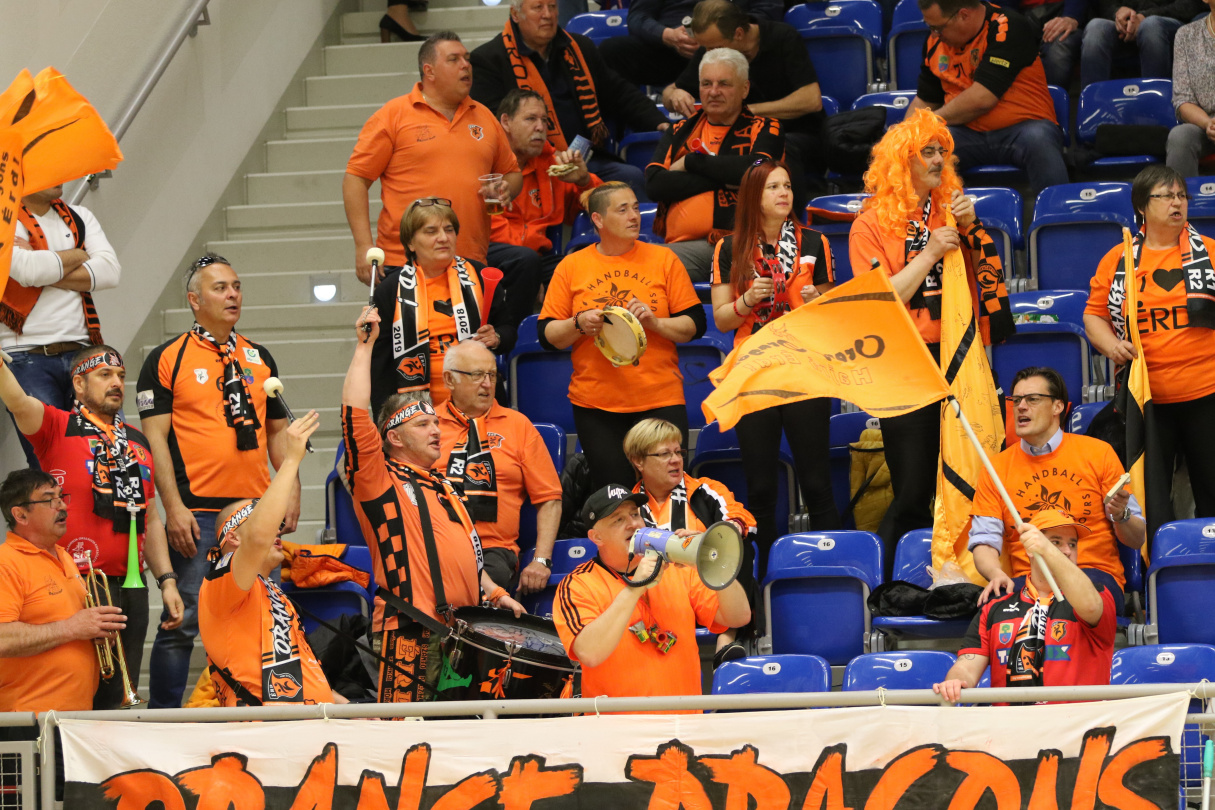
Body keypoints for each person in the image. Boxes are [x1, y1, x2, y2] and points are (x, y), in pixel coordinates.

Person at [849, 109, 1014, 578]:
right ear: (903, 161)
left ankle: (968, 572)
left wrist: (973, 229)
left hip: (960, 356)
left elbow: (988, 285)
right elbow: (881, 300)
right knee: (913, 487)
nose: (940, 159)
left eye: (943, 150)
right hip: (905, 364)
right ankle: (894, 581)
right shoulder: (869, 225)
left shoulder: (953, 212)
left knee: (976, 473)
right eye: (928, 151)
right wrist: (931, 252)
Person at [138, 253, 295, 709]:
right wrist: (173, 508)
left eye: (236, 286)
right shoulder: (167, 358)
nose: (232, 295)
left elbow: (277, 433)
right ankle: (164, 722)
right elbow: (155, 440)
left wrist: (290, 490)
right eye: (220, 288)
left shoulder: (259, 357)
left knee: (262, 615)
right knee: (182, 621)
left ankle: (259, 712)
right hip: (197, 511)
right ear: (194, 300)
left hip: (255, 513)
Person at [345, 306, 524, 703]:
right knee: (410, 736)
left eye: (435, 422)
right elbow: (355, 418)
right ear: (393, 437)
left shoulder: (443, 485)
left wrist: (496, 593)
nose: (436, 430)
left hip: (461, 636)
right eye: (422, 424)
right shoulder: (380, 481)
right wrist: (364, 348)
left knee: (462, 736)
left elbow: (465, 561)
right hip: (408, 633)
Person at [0, 345, 183, 709]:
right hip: (79, 584)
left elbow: (149, 516)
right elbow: (18, 402)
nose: (116, 382)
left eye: (120, 376)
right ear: (79, 385)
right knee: (79, 685)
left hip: (131, 585)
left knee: (119, 699)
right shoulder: (56, 426)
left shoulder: (138, 440)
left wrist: (167, 580)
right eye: (104, 375)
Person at [711, 159, 839, 578]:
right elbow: (722, 319)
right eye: (773, 187)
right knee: (761, 488)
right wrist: (748, 300)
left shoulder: (815, 241)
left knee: (816, 482)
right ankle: (763, 583)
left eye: (787, 186)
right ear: (754, 196)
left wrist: (816, 299)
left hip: (804, 367)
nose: (784, 193)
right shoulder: (729, 248)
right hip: (755, 369)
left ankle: (830, 573)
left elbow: (831, 314)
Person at [539, 182, 706, 490]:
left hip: (659, 398)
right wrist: (578, 323)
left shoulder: (664, 259)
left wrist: (655, 323)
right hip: (596, 405)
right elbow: (547, 336)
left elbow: (696, 325)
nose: (634, 216)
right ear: (598, 219)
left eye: (635, 207)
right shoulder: (571, 266)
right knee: (615, 497)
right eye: (623, 209)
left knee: (667, 493)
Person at [1084, 164, 1215, 534]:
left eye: (1182, 196)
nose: (1177, 203)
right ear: (1142, 206)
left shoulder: (1210, 253)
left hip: (1207, 394)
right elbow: (1094, 315)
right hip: (1147, 402)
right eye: (1167, 196)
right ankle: (1157, 565)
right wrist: (1112, 345)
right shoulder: (1119, 258)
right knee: (1151, 500)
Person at [344, 32, 522, 284]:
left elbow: (512, 173)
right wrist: (364, 245)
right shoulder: (393, 115)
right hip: (404, 260)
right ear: (429, 71)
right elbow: (355, 179)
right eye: (454, 59)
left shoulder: (484, 116)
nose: (466, 65)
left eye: (467, 58)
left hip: (469, 260)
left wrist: (506, 189)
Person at [553, 484, 751, 709]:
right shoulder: (577, 584)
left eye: (635, 514)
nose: (633, 524)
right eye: (618, 520)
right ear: (596, 537)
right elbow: (589, 653)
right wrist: (635, 588)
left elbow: (738, 616)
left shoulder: (677, 568)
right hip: (616, 727)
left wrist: (710, 563)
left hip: (684, 725)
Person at [969, 367, 1145, 614]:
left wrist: (1121, 515)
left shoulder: (1099, 453)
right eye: (1016, 400)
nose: (1021, 407)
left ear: (1058, 407)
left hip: (1091, 574)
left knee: (1063, 610)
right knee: (990, 612)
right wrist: (995, 573)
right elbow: (984, 541)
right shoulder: (995, 468)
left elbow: (1137, 539)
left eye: (1032, 399)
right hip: (1029, 580)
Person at [199, 411, 346, 706]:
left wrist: (351, 710)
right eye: (262, 520)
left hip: (308, 720)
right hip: (266, 725)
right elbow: (257, 538)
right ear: (233, 537)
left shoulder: (272, 592)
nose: (276, 528)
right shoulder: (221, 581)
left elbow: (306, 675)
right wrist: (290, 460)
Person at [469, 0, 670, 200]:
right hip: (529, 167)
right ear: (515, 14)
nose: (547, 14)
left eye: (552, 7)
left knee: (630, 177)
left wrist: (658, 121)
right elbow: (495, 126)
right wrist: (549, 154)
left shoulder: (580, 48)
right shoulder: (489, 59)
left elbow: (619, 92)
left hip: (586, 160)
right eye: (538, 8)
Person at [933, 510, 1116, 703]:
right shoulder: (994, 608)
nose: (1067, 551)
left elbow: (1090, 606)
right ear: (1029, 549)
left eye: (1072, 544)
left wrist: (1048, 550)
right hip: (1012, 721)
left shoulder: (1096, 595)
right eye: (1056, 542)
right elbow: (967, 667)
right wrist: (955, 682)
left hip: (1078, 721)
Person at [1, 183, 120, 467]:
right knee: (51, 463)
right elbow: (28, 270)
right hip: (25, 357)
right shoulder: (5, 217)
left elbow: (110, 273)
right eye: (48, 169)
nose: (59, 179)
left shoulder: (80, 216)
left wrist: (40, 260)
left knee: (111, 452)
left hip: (84, 352)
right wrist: (79, 254)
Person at [661, 0, 825, 202]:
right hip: (738, 136)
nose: (709, 54)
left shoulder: (782, 37)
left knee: (779, 147)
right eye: (706, 48)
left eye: (715, 47)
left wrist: (746, 111)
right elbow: (670, 91)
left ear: (738, 34)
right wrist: (674, 95)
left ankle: (788, 217)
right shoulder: (712, 49)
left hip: (798, 134)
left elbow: (811, 99)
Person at [624, 418, 757, 663]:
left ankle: (727, 639)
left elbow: (742, 519)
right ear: (638, 461)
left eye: (678, 452)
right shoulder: (628, 506)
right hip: (660, 597)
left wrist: (711, 539)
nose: (675, 460)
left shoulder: (704, 490)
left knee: (739, 544)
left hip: (710, 591)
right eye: (665, 454)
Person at [438, 339, 563, 594]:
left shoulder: (518, 426)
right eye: (477, 375)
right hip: (433, 544)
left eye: (492, 375)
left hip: (492, 549)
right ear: (450, 380)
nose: (487, 384)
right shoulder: (426, 425)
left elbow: (549, 498)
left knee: (467, 588)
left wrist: (541, 560)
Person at [647, 48, 784, 281]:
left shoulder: (765, 127)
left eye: (724, 84)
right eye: (706, 84)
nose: (713, 92)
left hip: (745, 244)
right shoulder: (680, 131)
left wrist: (691, 161)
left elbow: (758, 168)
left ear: (745, 89)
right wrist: (725, 179)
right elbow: (655, 185)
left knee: (649, 267)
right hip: (683, 247)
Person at [908, 0, 1069, 197]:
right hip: (965, 133)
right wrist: (905, 134)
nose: (934, 35)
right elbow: (925, 99)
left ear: (963, 15)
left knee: (1039, 139)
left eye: (938, 28)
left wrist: (930, 122)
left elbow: (983, 98)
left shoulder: (1007, 26)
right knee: (920, 151)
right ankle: (925, 216)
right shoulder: (935, 43)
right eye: (931, 28)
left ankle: (1057, 211)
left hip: (1024, 128)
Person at [369, 198, 508, 419]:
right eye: (431, 231)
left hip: (481, 407)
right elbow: (380, 367)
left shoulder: (480, 276)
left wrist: (497, 337)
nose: (443, 238)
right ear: (411, 243)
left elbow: (509, 330)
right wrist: (387, 422)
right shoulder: (390, 290)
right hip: (416, 415)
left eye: (449, 230)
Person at [0, 470, 125, 712]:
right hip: (26, 717)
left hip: (73, 714)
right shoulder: (6, 562)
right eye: (49, 500)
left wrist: (97, 633)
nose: (62, 506)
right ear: (21, 515)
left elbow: (72, 630)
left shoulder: (64, 556)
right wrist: (71, 628)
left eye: (61, 497)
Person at [492, 89, 603, 289]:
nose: (540, 127)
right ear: (506, 122)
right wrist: (531, 275)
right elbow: (491, 231)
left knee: (586, 271)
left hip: (535, 260)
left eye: (544, 120)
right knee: (526, 261)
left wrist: (583, 181)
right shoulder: (486, 163)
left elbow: (601, 204)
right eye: (531, 119)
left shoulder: (550, 164)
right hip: (492, 258)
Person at [600, 0, 785, 88]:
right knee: (613, 50)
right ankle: (622, 134)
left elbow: (768, 11)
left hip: (732, 48)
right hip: (672, 50)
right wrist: (667, 35)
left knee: (766, 47)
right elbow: (637, 17)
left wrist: (724, 34)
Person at [1080, 0, 1204, 87]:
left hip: (1170, 22)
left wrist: (1143, 17)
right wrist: (1119, 14)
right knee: (1095, 28)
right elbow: (1104, 5)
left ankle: (1155, 107)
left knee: (1150, 26)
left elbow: (1191, 5)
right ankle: (1093, 110)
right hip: (1124, 23)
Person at [1166, 1, 1215, 177]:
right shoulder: (1186, 35)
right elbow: (1182, 100)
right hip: (1204, 124)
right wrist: (1208, 124)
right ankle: (1180, 194)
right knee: (1180, 137)